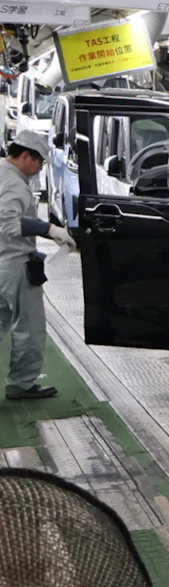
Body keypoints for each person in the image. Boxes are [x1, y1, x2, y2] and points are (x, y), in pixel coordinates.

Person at [0, 129, 76, 400]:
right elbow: (9, 224)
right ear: (25, 156)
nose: (41, 167)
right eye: (40, 161)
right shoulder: (14, 184)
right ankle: (22, 384)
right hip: (14, 265)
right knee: (30, 329)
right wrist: (49, 229)